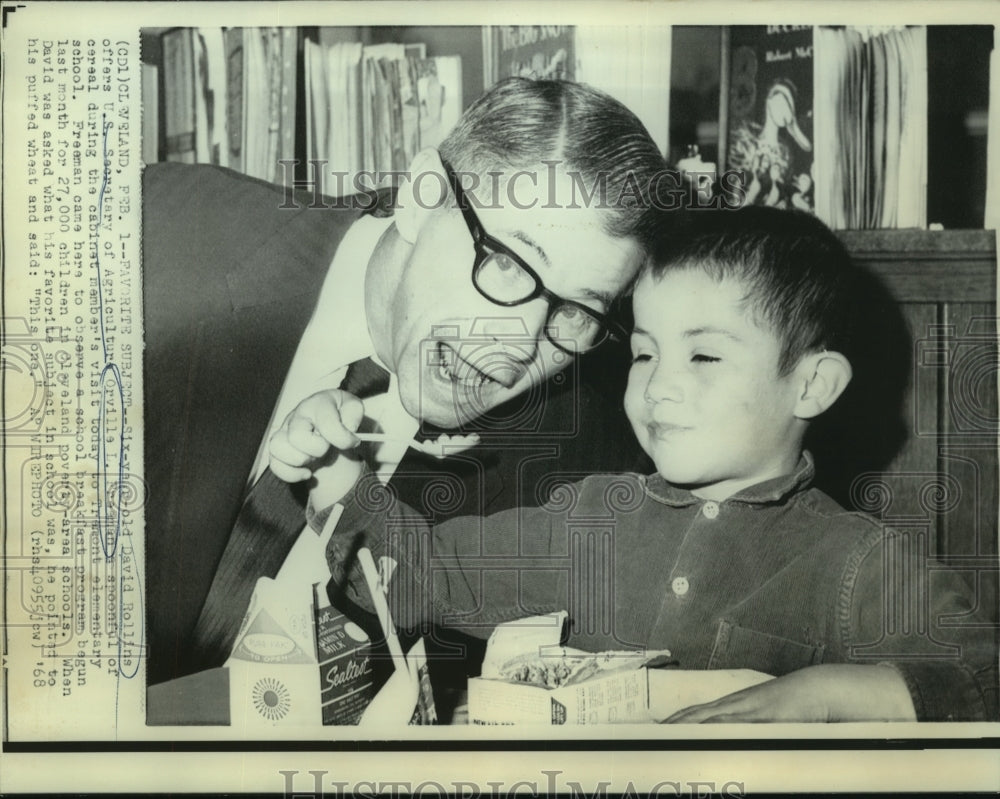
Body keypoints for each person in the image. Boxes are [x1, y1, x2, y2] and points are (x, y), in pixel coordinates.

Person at [294, 206, 997, 722]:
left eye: (704, 355)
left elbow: (981, 674)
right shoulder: (590, 521)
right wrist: (339, 478)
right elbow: (419, 579)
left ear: (811, 384)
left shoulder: (860, 562)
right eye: (643, 352)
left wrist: (821, 694)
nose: (658, 384)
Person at [142, 77, 667, 688]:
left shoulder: (583, 466)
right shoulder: (159, 231)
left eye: (573, 312)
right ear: (423, 196)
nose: (518, 347)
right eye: (506, 263)